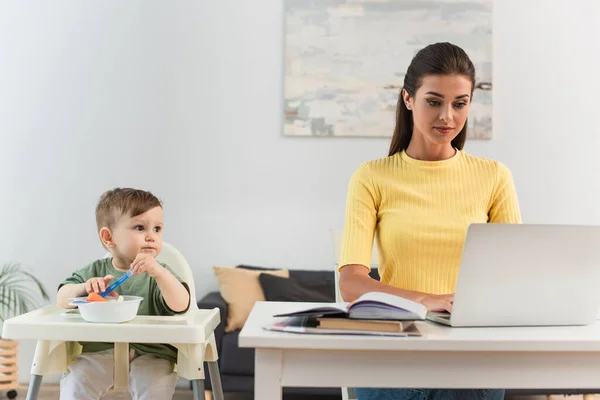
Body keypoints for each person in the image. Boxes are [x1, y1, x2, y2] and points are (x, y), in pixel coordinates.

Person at [339, 42, 521, 400]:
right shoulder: (372, 177)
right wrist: (425, 299)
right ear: (408, 99)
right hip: (397, 348)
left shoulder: (494, 177)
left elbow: (512, 276)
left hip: (471, 352)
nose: (447, 117)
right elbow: (351, 284)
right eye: (434, 101)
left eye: (460, 103)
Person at [57, 188, 191, 400]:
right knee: (76, 385)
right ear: (109, 237)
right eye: (140, 227)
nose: (151, 237)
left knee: (155, 390)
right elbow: (63, 298)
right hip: (101, 351)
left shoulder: (160, 273)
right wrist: (85, 288)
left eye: (157, 229)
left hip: (152, 352)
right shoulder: (95, 272)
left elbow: (181, 304)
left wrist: (159, 273)